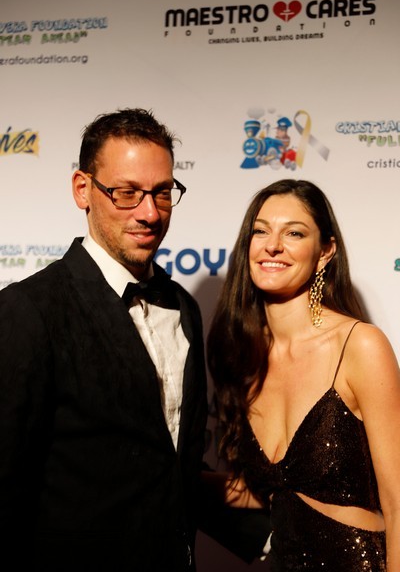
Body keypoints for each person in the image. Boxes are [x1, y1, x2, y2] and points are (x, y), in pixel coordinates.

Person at [0, 108, 208, 571]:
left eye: (162, 193)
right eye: (126, 193)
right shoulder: (29, 310)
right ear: (83, 189)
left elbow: (172, 463)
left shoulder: (184, 308)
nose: (149, 213)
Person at [207, 179, 400, 571]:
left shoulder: (360, 346)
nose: (272, 246)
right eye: (260, 231)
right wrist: (166, 479)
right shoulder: (245, 357)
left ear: (325, 251)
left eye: (294, 233)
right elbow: (272, 489)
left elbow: (397, 502)